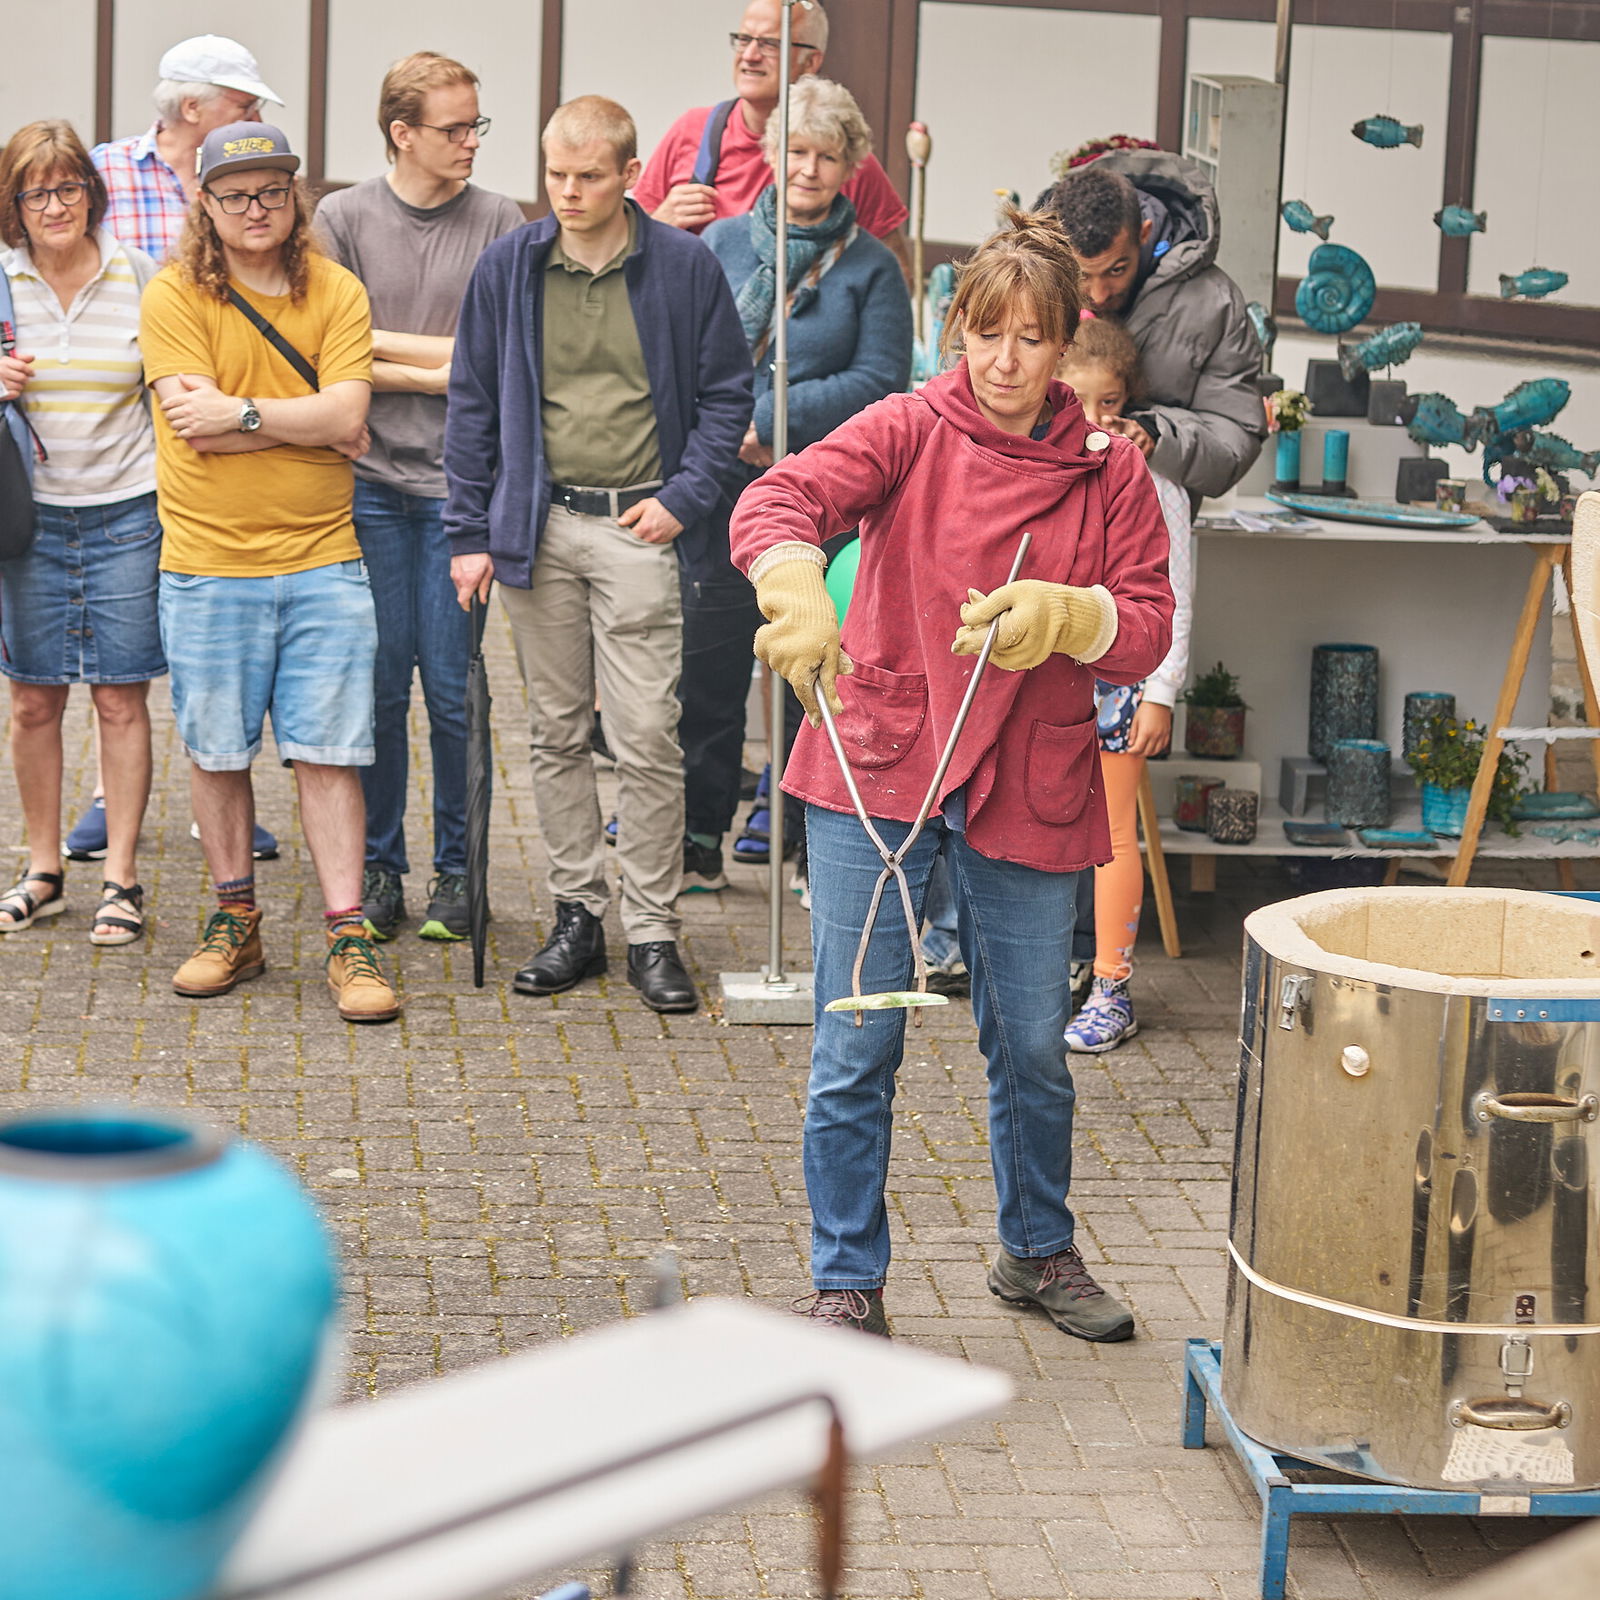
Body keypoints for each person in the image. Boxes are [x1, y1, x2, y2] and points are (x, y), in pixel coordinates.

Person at [729, 207, 1173, 1339]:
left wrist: (1070, 616)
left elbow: (1146, 625)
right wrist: (792, 583)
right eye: (986, 333)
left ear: (1065, 343)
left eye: (1031, 337)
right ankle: (847, 1279)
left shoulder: (1110, 470)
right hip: (880, 764)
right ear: (955, 331)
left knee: (1031, 1045)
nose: (1005, 361)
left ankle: (1037, 1252)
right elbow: (777, 498)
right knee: (857, 1036)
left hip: (1030, 776)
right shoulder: (908, 426)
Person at [444, 96, 751, 1014]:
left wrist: (683, 500)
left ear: (629, 175)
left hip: (638, 528)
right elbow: (472, 402)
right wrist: (469, 534)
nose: (568, 193)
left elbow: (727, 397)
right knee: (555, 732)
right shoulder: (509, 266)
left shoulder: (684, 267)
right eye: (555, 175)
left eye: (587, 177)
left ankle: (652, 928)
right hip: (537, 529)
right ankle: (577, 913)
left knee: (649, 734)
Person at [139, 121, 399, 1023]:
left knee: (330, 753)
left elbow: (348, 415)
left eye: (274, 192)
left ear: (296, 199)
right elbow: (193, 428)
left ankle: (349, 937)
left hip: (325, 559)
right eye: (237, 195)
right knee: (217, 754)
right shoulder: (173, 294)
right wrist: (306, 420)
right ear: (205, 205)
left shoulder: (336, 290)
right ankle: (235, 922)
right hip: (208, 564)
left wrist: (245, 414)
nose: (257, 209)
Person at [317, 52, 524, 944]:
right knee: (375, 689)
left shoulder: (501, 221)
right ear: (402, 133)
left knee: (451, 692)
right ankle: (379, 868)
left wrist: (387, 352)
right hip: (364, 493)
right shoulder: (341, 218)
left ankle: (458, 873)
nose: (472, 140)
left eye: (477, 124)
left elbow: (501, 353)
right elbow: (330, 350)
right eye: (455, 127)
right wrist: (445, 366)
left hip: (459, 500)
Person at [689, 77, 911, 890]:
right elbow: (690, 357)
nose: (809, 169)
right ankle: (699, 838)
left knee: (811, 672)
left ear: (851, 166)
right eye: (796, 151)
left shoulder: (874, 270)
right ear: (771, 153)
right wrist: (733, 427)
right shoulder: (721, 245)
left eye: (827, 155)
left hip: (826, 498)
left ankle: (802, 844)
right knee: (709, 665)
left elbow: (881, 381)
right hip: (722, 485)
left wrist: (773, 419)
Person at [84, 33, 283, 865]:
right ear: (193, 107)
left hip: (216, 432)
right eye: (243, 103)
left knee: (219, 624)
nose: (255, 114)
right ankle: (107, 798)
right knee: (122, 634)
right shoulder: (101, 172)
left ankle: (221, 798)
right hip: (117, 442)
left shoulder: (244, 183)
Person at [0, 120, 162, 946]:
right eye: (36, 193)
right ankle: (43, 870)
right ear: (14, 206)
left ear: (92, 196)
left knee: (120, 698)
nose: (55, 206)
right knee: (33, 699)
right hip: (28, 519)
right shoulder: (1, 283)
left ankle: (121, 877)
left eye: (68, 188)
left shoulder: (142, 277)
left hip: (127, 511)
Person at [1056, 316, 1192, 1052]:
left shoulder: (1157, 483)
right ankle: (1047, 973)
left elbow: (1178, 596)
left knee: (1112, 835)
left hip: (1125, 685)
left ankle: (1111, 985)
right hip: (1049, 681)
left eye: (1110, 402)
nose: (1097, 419)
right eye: (1081, 401)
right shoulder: (1045, 468)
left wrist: (1163, 691)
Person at [1039, 152, 1265, 502]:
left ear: (1143, 233)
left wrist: (1155, 437)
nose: (1098, 294)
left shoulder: (1215, 304)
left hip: (1152, 515)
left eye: (1116, 270)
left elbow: (1233, 444)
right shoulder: (1030, 285)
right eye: (1082, 275)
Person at [633, 1, 910, 277]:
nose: (750, 55)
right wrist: (659, 226)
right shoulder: (691, 130)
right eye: (744, 39)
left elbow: (897, 278)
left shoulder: (843, 156)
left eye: (770, 44)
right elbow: (629, 260)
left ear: (811, 61)